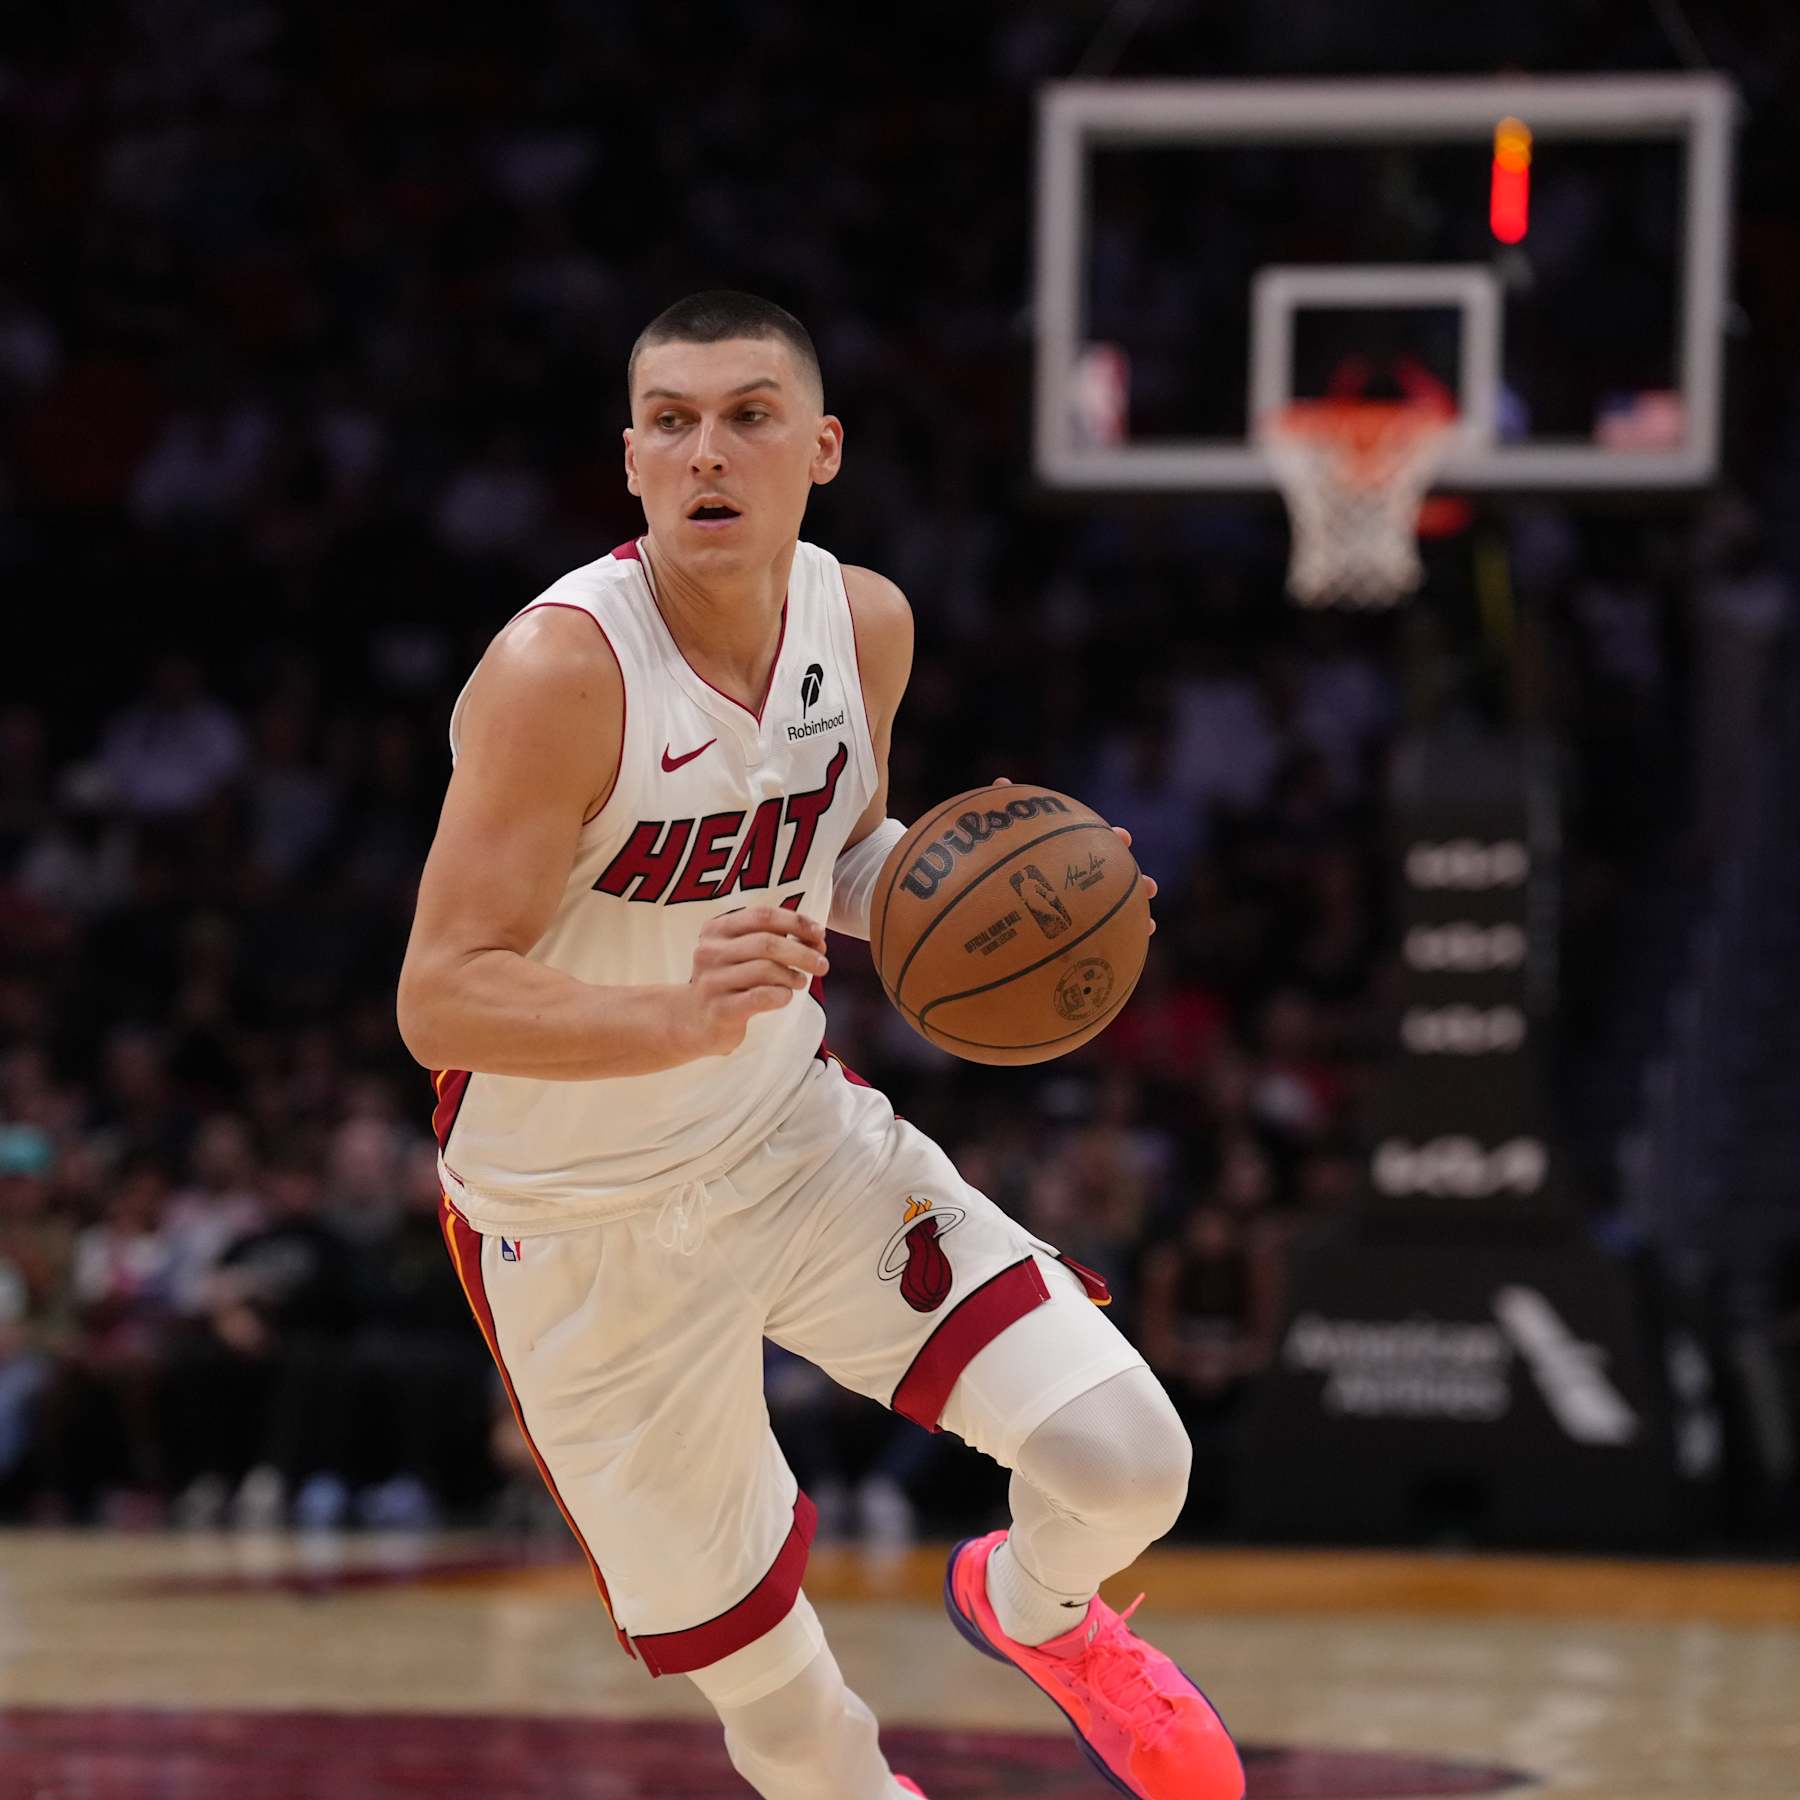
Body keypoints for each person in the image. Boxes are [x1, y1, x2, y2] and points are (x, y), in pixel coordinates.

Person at [397, 291, 1242, 1800]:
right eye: (671, 422)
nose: (706, 451)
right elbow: (441, 997)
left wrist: (1033, 888)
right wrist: (676, 1009)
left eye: (748, 415)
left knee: (1132, 1463)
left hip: (788, 1140)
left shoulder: (864, 624)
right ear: (635, 460)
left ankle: (1033, 1607)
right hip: (578, 1226)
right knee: (791, 1727)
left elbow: (841, 855)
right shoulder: (562, 673)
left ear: (823, 448)